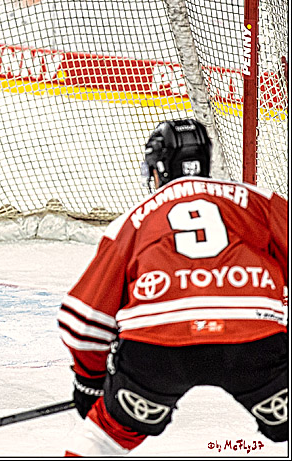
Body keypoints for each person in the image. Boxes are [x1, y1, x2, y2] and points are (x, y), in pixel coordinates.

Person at [59, 118, 288, 455]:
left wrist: (90, 381)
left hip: (157, 350)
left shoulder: (135, 219)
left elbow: (84, 320)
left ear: (158, 170)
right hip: (255, 344)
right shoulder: (259, 201)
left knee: (105, 436)